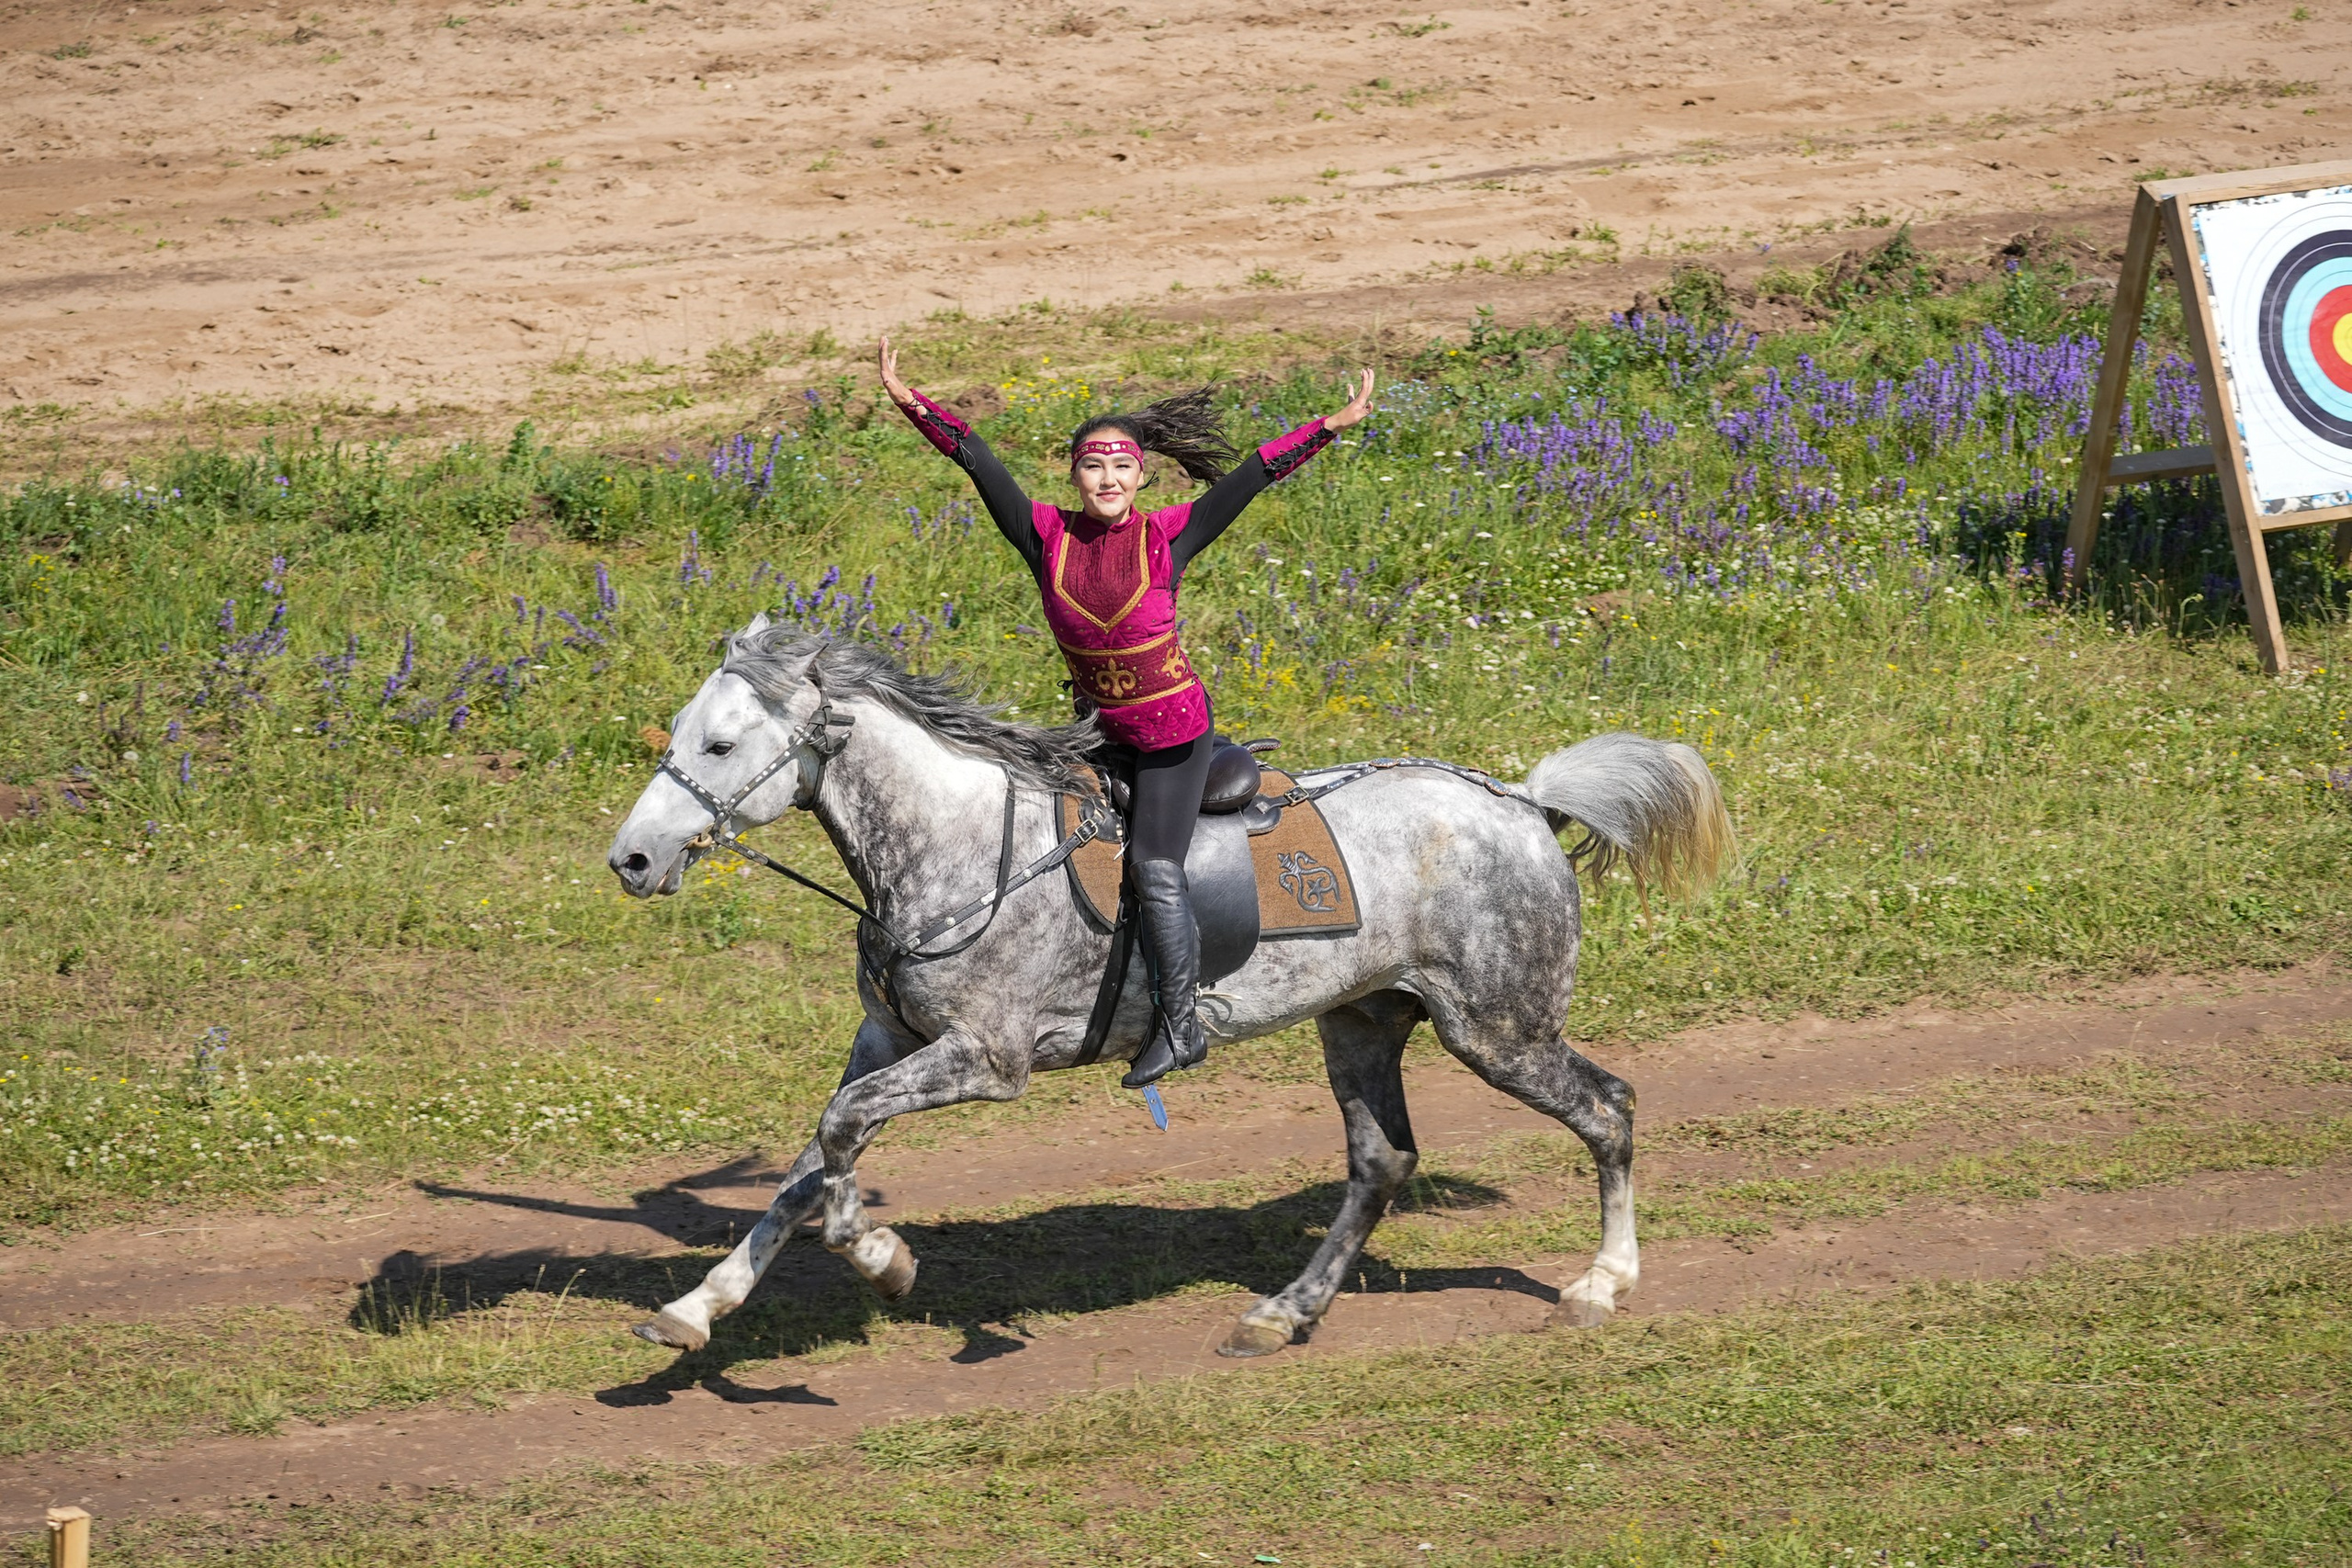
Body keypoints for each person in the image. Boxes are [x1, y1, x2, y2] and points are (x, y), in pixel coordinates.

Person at [877, 336, 1374, 1087]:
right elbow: (975, 458)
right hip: (1099, 733)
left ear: (1141, 475)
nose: (1106, 478)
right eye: (1091, 465)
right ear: (1074, 473)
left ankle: (1180, 1026)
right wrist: (911, 402)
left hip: (1175, 741)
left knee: (1152, 864)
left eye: (1120, 467)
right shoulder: (1045, 533)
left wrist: (1328, 427)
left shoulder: (1167, 533)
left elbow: (1253, 475)